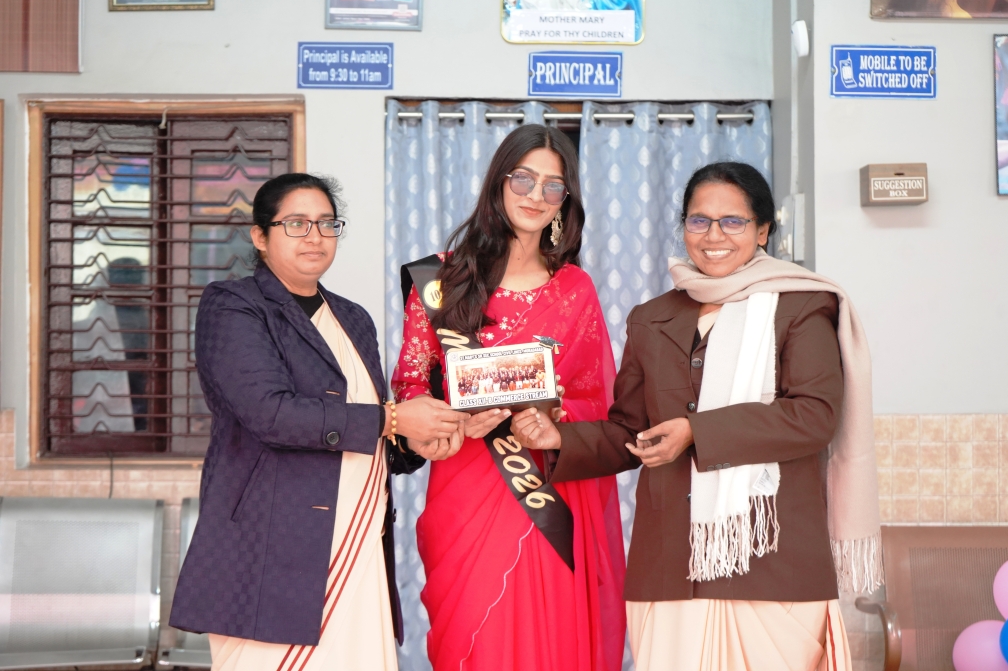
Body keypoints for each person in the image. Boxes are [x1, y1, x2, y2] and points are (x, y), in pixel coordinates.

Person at [512, 162, 883, 671]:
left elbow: (814, 416)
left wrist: (695, 432)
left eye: (733, 222)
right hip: (669, 565)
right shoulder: (651, 318)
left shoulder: (801, 305)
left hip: (772, 560)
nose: (713, 236)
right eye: (699, 220)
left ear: (762, 230)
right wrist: (558, 439)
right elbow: (630, 431)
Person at [169, 173, 469, 671]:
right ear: (260, 236)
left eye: (327, 223)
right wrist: (395, 418)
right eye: (296, 223)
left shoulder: (353, 319)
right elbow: (271, 414)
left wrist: (417, 441)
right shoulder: (234, 305)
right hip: (274, 550)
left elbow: (372, 427)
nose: (315, 236)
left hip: (360, 539)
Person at [391, 124, 627, 671]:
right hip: (466, 483)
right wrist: (450, 425)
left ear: (565, 201)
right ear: (499, 181)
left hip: (548, 494)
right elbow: (409, 386)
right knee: (475, 641)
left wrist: (554, 417)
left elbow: (599, 402)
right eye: (523, 178)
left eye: (553, 185)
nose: (535, 195)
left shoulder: (575, 289)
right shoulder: (439, 280)